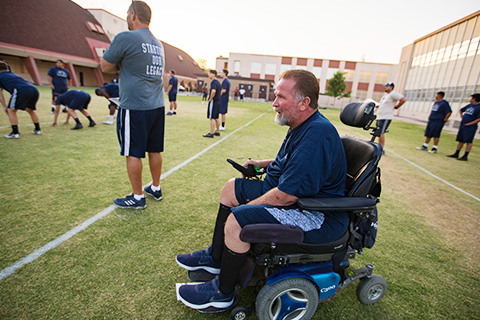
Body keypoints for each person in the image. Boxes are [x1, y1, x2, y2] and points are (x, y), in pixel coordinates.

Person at [176, 70, 348, 312]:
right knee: (230, 189)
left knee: (237, 220)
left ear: (304, 103)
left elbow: (286, 196)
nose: (274, 103)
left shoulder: (316, 133)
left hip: (314, 215)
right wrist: (263, 164)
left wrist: (248, 209)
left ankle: (222, 293)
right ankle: (216, 258)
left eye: (280, 97)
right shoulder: (303, 124)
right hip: (290, 195)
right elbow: (291, 161)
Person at [101, 0, 165, 209]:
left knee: (133, 152)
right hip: (157, 105)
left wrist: (121, 64)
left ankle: (137, 197)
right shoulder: (158, 43)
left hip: (135, 106)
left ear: (132, 15)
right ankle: (155, 187)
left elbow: (105, 66)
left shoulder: (125, 37)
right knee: (154, 150)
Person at [0, 60, 42, 138]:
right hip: (33, 89)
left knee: (11, 110)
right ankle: (38, 129)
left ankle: (15, 133)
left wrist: (5, 106)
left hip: (21, 90)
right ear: (7, 68)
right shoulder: (13, 75)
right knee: (30, 109)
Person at [447, 93, 480, 161]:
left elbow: (479, 118)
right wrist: (462, 117)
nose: (470, 99)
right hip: (463, 125)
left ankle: (465, 156)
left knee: (468, 141)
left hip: (470, 127)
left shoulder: (479, 107)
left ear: (474, 99)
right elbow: (461, 110)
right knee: (460, 140)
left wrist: (469, 123)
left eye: (471, 98)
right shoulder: (470, 105)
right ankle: (456, 153)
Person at [375, 82, 407, 150]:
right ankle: (379, 146)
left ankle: (381, 149)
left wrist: (397, 107)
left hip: (386, 117)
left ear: (391, 87)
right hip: (380, 116)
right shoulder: (385, 96)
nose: (385, 87)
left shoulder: (393, 94)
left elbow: (403, 99)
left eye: (387, 86)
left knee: (381, 133)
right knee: (378, 132)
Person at [203, 70, 221, 138]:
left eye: (210, 73)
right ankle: (217, 131)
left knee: (212, 117)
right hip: (218, 101)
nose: (208, 75)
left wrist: (210, 98)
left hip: (214, 101)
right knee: (216, 117)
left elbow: (213, 91)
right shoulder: (218, 82)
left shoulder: (213, 82)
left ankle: (211, 133)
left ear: (213, 74)